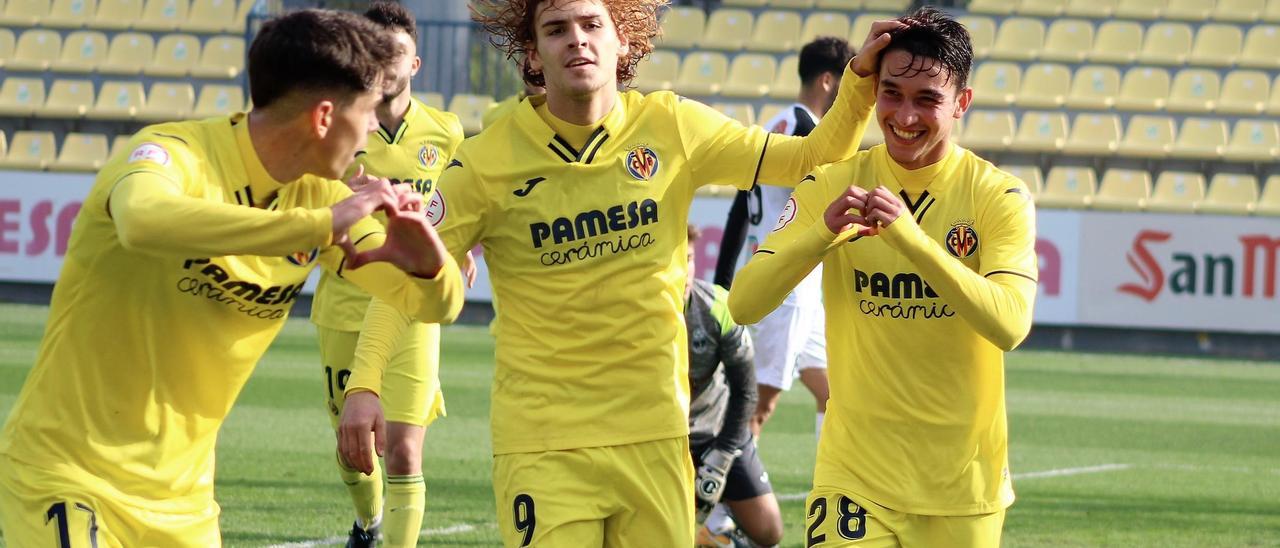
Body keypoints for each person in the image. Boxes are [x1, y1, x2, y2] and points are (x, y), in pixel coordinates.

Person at [339, 0, 891, 545]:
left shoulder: (672, 125)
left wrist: (860, 81)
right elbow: (409, 277)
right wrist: (364, 385)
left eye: (591, 24)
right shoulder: (485, 163)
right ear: (533, 53)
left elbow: (809, 157)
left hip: (655, 433)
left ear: (622, 40)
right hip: (544, 442)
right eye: (555, 29)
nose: (576, 39)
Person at [0, 9, 463, 547]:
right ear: (323, 118)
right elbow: (141, 220)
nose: (369, 132)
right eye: (366, 113)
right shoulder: (176, 152)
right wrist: (314, 226)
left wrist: (427, 259)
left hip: (185, 506)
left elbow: (434, 305)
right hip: (69, 477)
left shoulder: (322, 198)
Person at [728, 8, 1037, 547]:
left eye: (927, 100)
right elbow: (745, 304)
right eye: (891, 93)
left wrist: (912, 239)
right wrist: (820, 234)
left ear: (961, 103)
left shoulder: (998, 195)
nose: (905, 115)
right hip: (855, 478)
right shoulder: (833, 185)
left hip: (962, 486)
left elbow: (1010, 325)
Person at [306, 3, 468, 546]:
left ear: (416, 64)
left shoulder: (446, 133)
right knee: (353, 453)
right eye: (375, 51)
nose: (385, 62)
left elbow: (468, 208)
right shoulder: (342, 128)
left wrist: (466, 251)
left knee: (403, 449)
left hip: (412, 306)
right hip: (345, 302)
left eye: (395, 51)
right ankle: (369, 522)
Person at [716, 36, 856, 442]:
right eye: (848, 84)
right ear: (829, 81)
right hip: (789, 282)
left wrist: (725, 279)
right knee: (757, 406)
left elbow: (740, 208)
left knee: (834, 394)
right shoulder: (807, 132)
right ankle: (723, 502)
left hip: (794, 284)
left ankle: (831, 486)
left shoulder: (773, 125)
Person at [683, 226, 781, 548]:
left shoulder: (716, 307)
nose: (684, 272)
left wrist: (722, 455)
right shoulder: (637, 314)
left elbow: (746, 390)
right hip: (665, 439)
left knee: (769, 531)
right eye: (676, 261)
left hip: (717, 432)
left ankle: (718, 535)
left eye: (690, 259)